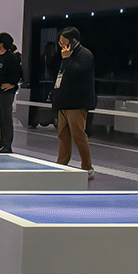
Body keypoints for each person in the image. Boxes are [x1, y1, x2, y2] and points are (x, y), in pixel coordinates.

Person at [51, 26, 97, 179]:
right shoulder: (65, 56)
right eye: (60, 42)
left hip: (77, 103)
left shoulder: (85, 55)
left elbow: (77, 73)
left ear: (72, 41)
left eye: (63, 42)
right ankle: (61, 163)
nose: (61, 45)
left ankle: (87, 166)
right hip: (63, 102)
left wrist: (66, 59)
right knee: (63, 135)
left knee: (78, 135)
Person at [0, 32, 24, 153]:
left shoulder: (11, 57)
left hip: (7, 93)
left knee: (6, 118)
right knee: (1, 118)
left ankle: (7, 145)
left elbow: (19, 73)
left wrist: (12, 84)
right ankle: (2, 144)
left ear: (2, 44)